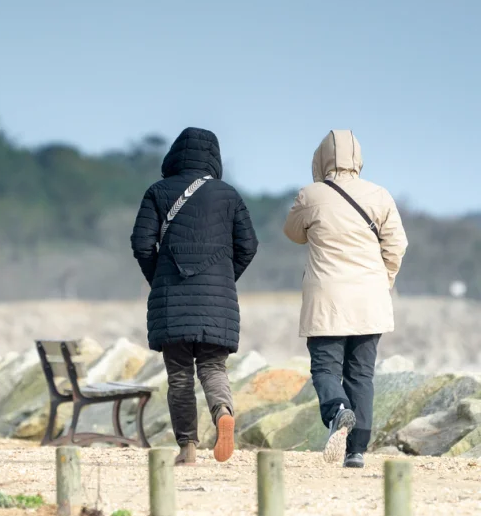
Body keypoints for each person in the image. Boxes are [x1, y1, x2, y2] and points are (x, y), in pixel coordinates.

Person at [131, 127, 258, 465]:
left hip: (171, 299)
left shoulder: (157, 192)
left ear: (174, 154)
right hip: (217, 302)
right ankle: (223, 413)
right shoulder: (228, 195)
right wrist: (225, 279)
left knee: (179, 376)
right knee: (213, 367)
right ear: (213, 158)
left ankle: (187, 448)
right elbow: (248, 246)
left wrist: (159, 277)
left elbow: (142, 244)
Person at [284, 130, 408, 468]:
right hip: (370, 297)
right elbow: (397, 245)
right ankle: (356, 451)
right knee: (361, 374)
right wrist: (385, 280)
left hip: (327, 297)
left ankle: (338, 409)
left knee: (325, 366)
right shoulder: (379, 195)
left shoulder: (311, 194)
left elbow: (293, 233)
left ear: (321, 158)